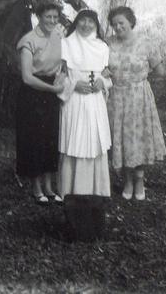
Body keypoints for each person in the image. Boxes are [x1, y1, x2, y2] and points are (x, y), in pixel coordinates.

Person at [106, 6, 166, 201]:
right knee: (122, 138)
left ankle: (139, 180)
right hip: (116, 97)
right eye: (114, 24)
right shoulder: (108, 43)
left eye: (121, 22)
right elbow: (100, 68)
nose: (118, 27)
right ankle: (127, 181)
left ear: (131, 22)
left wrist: (142, 81)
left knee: (139, 139)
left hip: (139, 98)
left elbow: (160, 72)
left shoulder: (146, 43)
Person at [15, 0, 65, 205]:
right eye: (48, 17)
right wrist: (52, 89)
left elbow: (64, 64)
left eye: (55, 17)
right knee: (34, 140)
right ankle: (36, 188)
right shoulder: (28, 41)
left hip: (52, 93)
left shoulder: (59, 36)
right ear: (39, 17)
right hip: (32, 95)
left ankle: (49, 186)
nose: (52, 20)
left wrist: (60, 80)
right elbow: (27, 77)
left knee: (51, 138)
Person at [57, 10, 112, 198]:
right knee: (74, 140)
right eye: (82, 20)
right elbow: (58, 76)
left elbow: (107, 76)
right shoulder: (65, 44)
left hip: (95, 101)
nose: (86, 25)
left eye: (90, 22)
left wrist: (102, 83)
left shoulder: (102, 47)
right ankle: (69, 191)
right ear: (76, 22)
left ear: (96, 25)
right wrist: (73, 85)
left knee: (95, 141)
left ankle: (96, 190)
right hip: (74, 101)